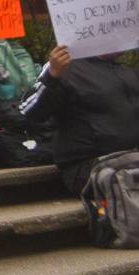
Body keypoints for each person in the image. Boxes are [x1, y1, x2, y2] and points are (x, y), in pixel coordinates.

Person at [21, 45, 139, 194]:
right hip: (90, 164)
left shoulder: (126, 72)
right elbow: (29, 111)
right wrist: (52, 76)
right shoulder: (66, 68)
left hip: (131, 159)